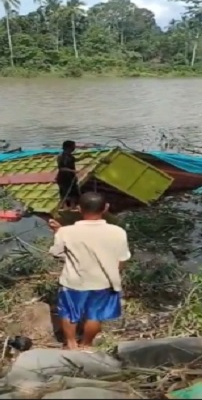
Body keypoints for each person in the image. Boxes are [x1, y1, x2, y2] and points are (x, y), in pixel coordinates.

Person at [47, 192, 130, 351]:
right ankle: (86, 345)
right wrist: (114, 275)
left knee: (70, 313)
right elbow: (122, 259)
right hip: (103, 282)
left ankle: (71, 345)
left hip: (74, 282)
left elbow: (56, 252)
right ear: (105, 208)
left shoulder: (66, 232)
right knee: (95, 315)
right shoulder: (118, 232)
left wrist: (58, 232)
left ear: (78, 208)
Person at [56, 140, 80, 211]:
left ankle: (73, 206)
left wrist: (85, 157)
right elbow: (62, 168)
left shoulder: (70, 156)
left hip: (71, 177)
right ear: (68, 147)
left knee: (73, 192)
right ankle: (65, 207)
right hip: (64, 177)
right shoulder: (61, 157)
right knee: (65, 192)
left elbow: (73, 161)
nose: (74, 148)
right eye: (73, 146)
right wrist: (73, 171)